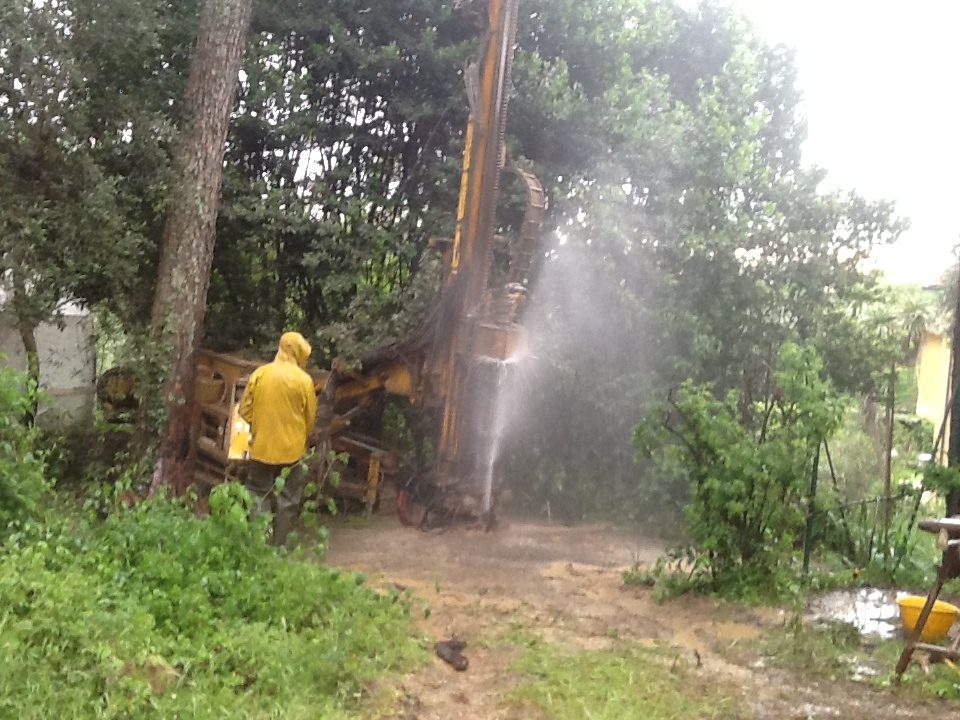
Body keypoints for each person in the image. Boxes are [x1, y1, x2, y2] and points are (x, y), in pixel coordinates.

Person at [238, 332, 318, 546]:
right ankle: (281, 547)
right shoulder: (304, 381)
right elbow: (310, 418)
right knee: (289, 500)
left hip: (261, 447)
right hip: (292, 450)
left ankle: (260, 542)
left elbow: (244, 410)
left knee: (257, 493)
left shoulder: (261, 374)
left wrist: (261, 424)